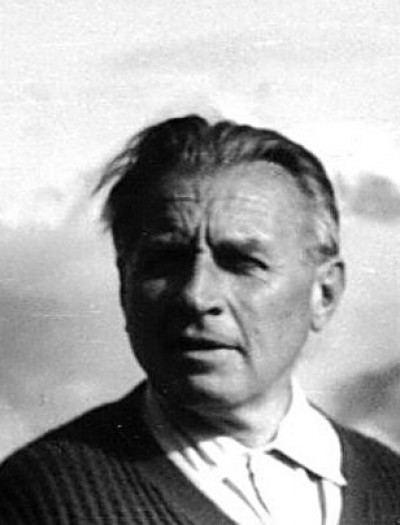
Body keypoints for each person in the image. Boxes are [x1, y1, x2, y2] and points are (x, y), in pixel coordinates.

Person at [0, 115, 399, 525]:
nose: (196, 295)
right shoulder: (42, 500)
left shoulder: (390, 489)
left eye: (243, 262)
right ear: (124, 286)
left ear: (324, 294)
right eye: (164, 260)